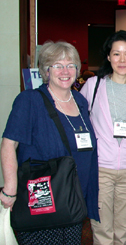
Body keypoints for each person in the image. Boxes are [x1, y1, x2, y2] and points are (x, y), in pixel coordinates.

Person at [0, 41, 100, 244]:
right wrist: (10, 188)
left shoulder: (80, 102)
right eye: (58, 65)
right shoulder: (29, 100)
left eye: (70, 65)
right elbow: (9, 144)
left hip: (73, 196)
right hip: (42, 195)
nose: (65, 71)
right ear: (46, 70)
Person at [80, 30, 126, 245]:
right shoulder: (93, 86)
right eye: (116, 54)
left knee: (123, 229)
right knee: (101, 228)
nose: (122, 59)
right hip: (100, 169)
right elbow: (80, 122)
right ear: (108, 57)